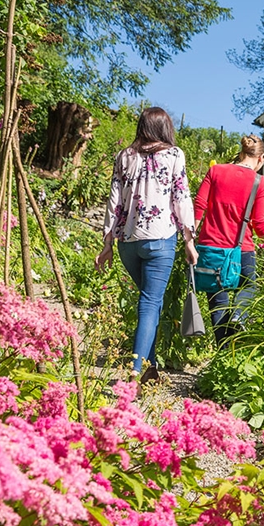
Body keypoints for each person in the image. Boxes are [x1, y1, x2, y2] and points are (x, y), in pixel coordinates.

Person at [95, 107, 197, 383]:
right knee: (150, 303)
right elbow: (181, 197)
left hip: (128, 243)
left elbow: (114, 201)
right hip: (160, 239)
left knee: (150, 302)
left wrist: (107, 243)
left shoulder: (124, 156)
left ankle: (150, 369)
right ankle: (135, 372)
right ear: (165, 128)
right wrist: (189, 240)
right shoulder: (175, 155)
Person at [193, 135, 264, 345]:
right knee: (249, 286)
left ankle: (223, 356)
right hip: (241, 250)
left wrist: (190, 238)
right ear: (261, 158)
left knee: (218, 303)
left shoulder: (216, 171)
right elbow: (259, 222)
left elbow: (199, 205)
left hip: (210, 248)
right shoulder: (260, 182)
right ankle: (239, 316)